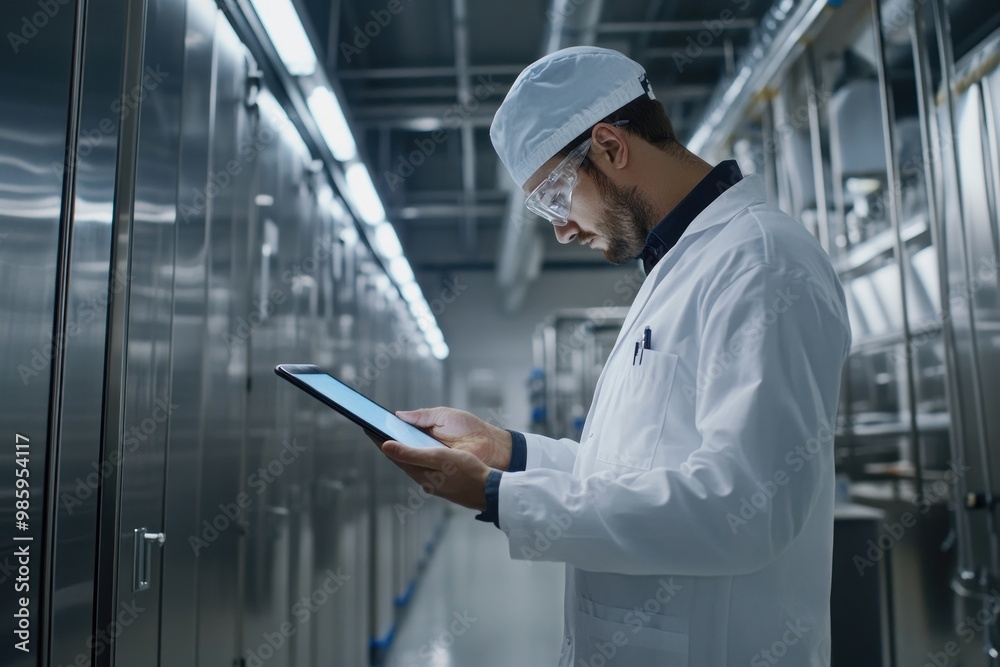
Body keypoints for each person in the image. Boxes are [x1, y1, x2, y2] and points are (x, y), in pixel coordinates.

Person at [371, 46, 851, 666]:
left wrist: (497, 496)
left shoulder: (759, 261)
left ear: (610, 146)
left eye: (554, 196)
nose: (560, 229)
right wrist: (508, 453)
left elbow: (745, 508)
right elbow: (635, 468)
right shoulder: (679, 266)